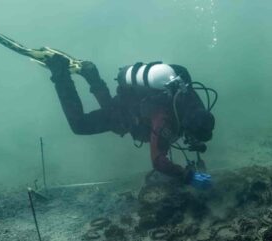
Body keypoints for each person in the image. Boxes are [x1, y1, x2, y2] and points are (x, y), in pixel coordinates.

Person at [47, 55, 216, 185]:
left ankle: (92, 76)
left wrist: (196, 144)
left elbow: (196, 127)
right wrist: (188, 176)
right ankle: (60, 74)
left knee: (114, 111)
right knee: (81, 125)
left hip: (129, 106)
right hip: (128, 112)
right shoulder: (164, 119)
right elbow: (158, 161)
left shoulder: (190, 100)